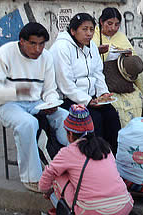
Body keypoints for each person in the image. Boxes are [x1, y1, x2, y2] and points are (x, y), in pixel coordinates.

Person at [39, 105, 133, 215]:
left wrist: (44, 189)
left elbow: (50, 173)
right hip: (123, 208)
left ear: (70, 134)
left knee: (58, 177)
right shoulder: (105, 147)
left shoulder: (69, 152)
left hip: (91, 213)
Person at [0, 22, 69, 193]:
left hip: (36, 103)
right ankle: (32, 177)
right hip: (9, 105)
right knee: (28, 124)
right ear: (22, 41)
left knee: (65, 117)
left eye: (41, 44)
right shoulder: (4, 54)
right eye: (33, 43)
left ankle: (68, 167)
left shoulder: (46, 57)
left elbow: (50, 90)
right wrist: (23, 91)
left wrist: (52, 104)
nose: (38, 49)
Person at [49, 13, 121, 155]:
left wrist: (103, 94)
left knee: (112, 116)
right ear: (73, 31)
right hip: (68, 99)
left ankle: (112, 158)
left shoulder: (91, 46)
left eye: (91, 29)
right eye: (84, 29)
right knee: (95, 120)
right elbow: (66, 84)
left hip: (91, 98)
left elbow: (98, 73)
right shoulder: (61, 48)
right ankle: (93, 161)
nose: (89, 34)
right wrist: (88, 101)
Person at [92, 7, 143, 128]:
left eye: (117, 25)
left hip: (122, 79)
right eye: (109, 24)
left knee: (136, 99)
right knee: (116, 106)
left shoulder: (121, 37)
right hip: (103, 80)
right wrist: (98, 52)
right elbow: (88, 58)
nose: (113, 28)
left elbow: (133, 58)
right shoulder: (94, 36)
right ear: (101, 22)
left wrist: (128, 56)